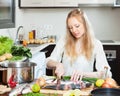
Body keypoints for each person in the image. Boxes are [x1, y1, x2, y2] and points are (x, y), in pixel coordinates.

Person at [46, 8, 112, 82]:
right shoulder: (64, 41)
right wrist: (58, 64)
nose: (74, 30)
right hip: (65, 86)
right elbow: (48, 62)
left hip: (85, 87)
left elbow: (106, 74)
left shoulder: (96, 44)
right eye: (70, 28)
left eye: (77, 26)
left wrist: (84, 74)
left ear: (85, 24)